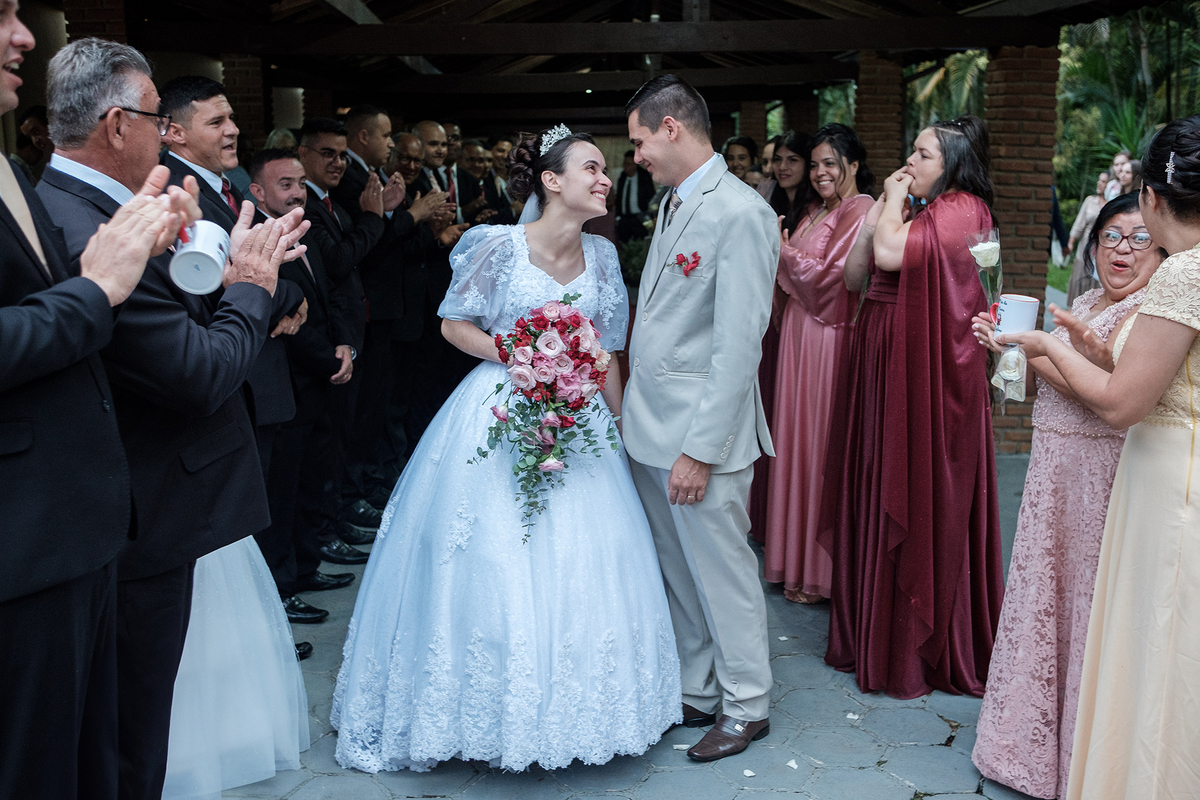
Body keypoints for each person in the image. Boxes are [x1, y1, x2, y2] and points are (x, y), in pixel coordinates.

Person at [331, 126, 681, 773]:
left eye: (604, 170)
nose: (605, 179)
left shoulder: (604, 257)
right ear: (552, 180)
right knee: (493, 555)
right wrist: (520, 354)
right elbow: (452, 324)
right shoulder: (497, 245)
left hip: (578, 420)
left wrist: (620, 426)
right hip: (499, 404)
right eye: (592, 168)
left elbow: (606, 351)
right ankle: (481, 713)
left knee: (586, 557)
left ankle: (580, 710)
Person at [37, 38, 309, 800]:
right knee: (132, 733)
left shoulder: (96, 205)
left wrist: (209, 261)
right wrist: (251, 284)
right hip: (141, 509)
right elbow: (196, 373)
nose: (166, 134)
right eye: (159, 118)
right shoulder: (87, 225)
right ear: (118, 124)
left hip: (128, 505)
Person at [0, 10, 193, 798]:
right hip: (22, 538)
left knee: (89, 761)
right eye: (4, 14)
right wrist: (98, 287)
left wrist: (138, 247)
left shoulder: (12, 172)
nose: (24, 36)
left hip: (73, 525)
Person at [999, 115, 1200, 800]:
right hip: (1174, 464)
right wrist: (1097, 348)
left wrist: (1045, 347)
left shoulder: (1182, 275)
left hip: (1169, 479)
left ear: (1151, 196)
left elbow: (1120, 406)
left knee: (1158, 640)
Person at [970, 191, 1164, 799]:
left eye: (1139, 238)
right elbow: (1044, 387)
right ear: (1092, 245)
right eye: (1111, 237)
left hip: (1101, 480)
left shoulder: (1150, 317)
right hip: (1052, 474)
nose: (1123, 251)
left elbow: (1108, 395)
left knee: (1086, 606)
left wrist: (1039, 347)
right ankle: (1023, 748)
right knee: (1042, 597)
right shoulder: (1083, 303)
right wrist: (1006, 350)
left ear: (1162, 249)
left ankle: (1080, 757)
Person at [624, 75, 778, 761]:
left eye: (638, 142)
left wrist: (700, 450)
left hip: (699, 435)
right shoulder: (674, 201)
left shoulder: (740, 212)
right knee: (678, 571)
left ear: (671, 128)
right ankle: (698, 687)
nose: (636, 157)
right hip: (651, 425)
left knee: (722, 572)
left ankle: (747, 705)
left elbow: (739, 345)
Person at [827, 115, 1005, 699]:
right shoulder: (922, 208)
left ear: (953, 163)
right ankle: (872, 628)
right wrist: (881, 210)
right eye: (913, 151)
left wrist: (890, 199)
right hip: (887, 359)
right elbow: (856, 275)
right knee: (876, 479)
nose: (910, 161)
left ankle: (910, 648)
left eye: (924, 154)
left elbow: (890, 255)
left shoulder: (961, 208)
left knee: (911, 487)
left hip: (924, 373)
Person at [763, 123, 874, 604]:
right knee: (795, 443)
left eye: (831, 163)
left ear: (853, 165)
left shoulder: (860, 209)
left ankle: (820, 571)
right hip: (800, 336)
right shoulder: (817, 209)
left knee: (817, 447)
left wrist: (782, 250)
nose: (820, 172)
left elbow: (833, 277)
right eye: (815, 164)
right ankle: (794, 561)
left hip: (828, 339)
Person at [747, 129, 807, 543]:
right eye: (777, 160)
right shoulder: (764, 197)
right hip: (761, 313)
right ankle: (761, 516)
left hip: (796, 321)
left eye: (792, 160)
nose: (782, 168)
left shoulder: (813, 210)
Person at [1066, 171, 1108, 303]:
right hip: (1086, 243)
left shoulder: (1111, 204)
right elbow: (1079, 222)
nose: (1099, 184)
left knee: (1095, 276)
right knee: (1081, 272)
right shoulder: (1090, 200)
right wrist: (1071, 241)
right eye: (1099, 180)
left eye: (1103, 181)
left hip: (1102, 245)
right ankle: (1075, 305)